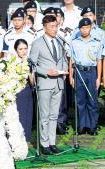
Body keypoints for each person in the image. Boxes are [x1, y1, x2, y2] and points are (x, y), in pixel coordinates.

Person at [30, 14, 68, 154]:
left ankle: (52, 143)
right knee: (44, 116)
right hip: (45, 83)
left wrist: (64, 70)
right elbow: (32, 65)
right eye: (51, 26)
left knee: (54, 116)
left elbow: (63, 58)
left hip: (59, 83)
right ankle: (44, 144)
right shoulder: (37, 43)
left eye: (56, 26)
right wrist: (46, 72)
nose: (55, 29)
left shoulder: (60, 41)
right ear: (44, 27)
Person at [69, 16, 100, 135]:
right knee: (80, 100)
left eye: (87, 27)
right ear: (79, 29)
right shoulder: (74, 42)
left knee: (92, 100)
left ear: (91, 28)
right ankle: (82, 125)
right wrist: (71, 76)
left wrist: (99, 78)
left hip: (91, 71)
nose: (85, 30)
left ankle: (92, 126)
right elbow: (71, 60)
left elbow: (99, 61)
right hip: (79, 71)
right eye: (82, 28)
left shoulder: (96, 42)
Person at [13, 38, 34, 143]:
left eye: (25, 48)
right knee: (18, 114)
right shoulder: (12, 62)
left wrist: (29, 71)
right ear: (16, 50)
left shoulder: (30, 61)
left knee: (27, 113)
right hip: (16, 90)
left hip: (27, 89)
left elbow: (33, 82)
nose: (23, 51)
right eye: (20, 49)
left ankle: (26, 137)